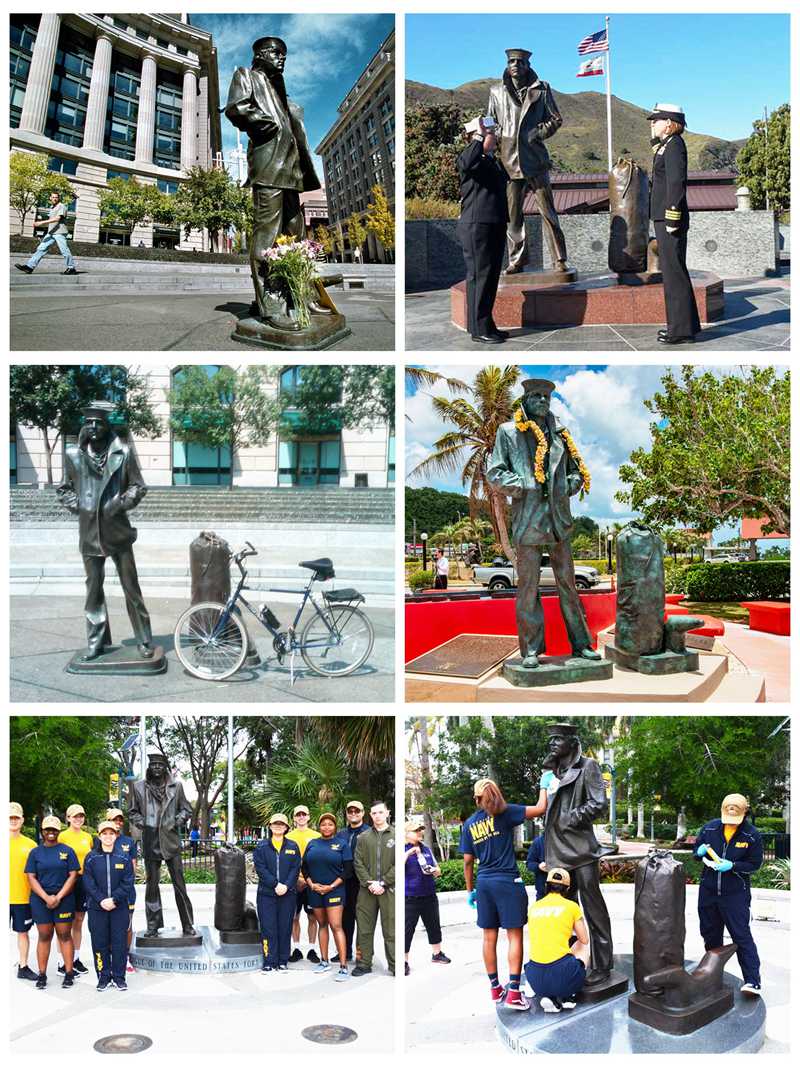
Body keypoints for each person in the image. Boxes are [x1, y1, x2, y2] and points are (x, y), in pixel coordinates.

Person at [487, 379, 602, 669]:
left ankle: (581, 645)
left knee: (569, 586)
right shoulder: (508, 432)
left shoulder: (561, 433)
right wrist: (522, 485)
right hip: (528, 521)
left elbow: (576, 470)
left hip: (559, 521)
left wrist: (568, 485)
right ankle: (531, 649)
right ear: (524, 399)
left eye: (546, 396)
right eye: (536, 395)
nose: (542, 400)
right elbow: (495, 472)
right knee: (528, 588)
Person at [225, 36, 322, 327]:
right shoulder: (247, 76)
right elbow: (236, 108)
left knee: (296, 236)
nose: (282, 58)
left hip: (292, 172)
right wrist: (267, 125)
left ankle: (300, 295)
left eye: (284, 54)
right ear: (260, 54)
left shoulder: (281, 92)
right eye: (276, 53)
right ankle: (270, 304)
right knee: (266, 236)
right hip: (268, 168)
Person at [56, 400, 154, 662]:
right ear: (84, 427)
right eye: (89, 423)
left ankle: (144, 639)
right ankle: (96, 642)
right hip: (89, 533)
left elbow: (138, 486)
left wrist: (120, 503)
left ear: (107, 425)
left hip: (118, 532)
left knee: (131, 589)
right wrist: (82, 507)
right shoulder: (72, 455)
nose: (94, 427)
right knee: (93, 592)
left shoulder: (124, 452)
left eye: (98, 422)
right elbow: (63, 489)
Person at [461, 777, 548, 1010]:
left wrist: (471, 891)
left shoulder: (469, 824)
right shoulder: (506, 812)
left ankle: (495, 988)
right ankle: (514, 993)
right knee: (514, 936)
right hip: (508, 881)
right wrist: (544, 784)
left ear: (476, 798)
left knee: (489, 937)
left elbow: (468, 862)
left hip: (485, 884)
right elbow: (541, 808)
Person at [541, 723, 615, 986]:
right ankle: (572, 962)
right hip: (558, 851)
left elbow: (598, 803)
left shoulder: (588, 766)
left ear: (572, 742)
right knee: (564, 911)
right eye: (550, 740)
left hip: (581, 851)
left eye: (558, 739)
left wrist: (570, 818)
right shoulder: (551, 772)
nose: (552, 744)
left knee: (593, 910)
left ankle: (603, 965)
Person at [487, 48, 568, 274]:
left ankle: (559, 259)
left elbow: (556, 119)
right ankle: (517, 260)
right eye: (511, 61)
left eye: (520, 62)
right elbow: (490, 122)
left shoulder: (542, 89)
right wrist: (498, 138)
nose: (515, 65)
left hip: (536, 160)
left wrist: (538, 133)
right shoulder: (496, 91)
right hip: (509, 161)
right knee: (513, 216)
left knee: (548, 212)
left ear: (527, 65)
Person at [694, 793, 764, 996]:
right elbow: (696, 852)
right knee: (710, 935)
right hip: (708, 892)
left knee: (741, 936)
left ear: (744, 812)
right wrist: (698, 852)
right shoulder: (710, 828)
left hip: (735, 895)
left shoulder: (751, 835)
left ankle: (752, 981)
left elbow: (755, 864)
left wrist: (732, 865)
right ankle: (713, 977)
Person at [648, 102, 701, 345]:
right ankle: (685, 326)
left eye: (656, 120)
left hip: (670, 217)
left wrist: (672, 215)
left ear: (669, 123)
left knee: (673, 274)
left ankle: (680, 330)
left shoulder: (675, 146)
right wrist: (654, 139)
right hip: (663, 216)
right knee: (674, 272)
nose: (653, 123)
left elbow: (676, 183)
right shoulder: (667, 145)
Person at [128, 753, 196, 937]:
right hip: (151, 842)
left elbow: (187, 809)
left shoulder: (177, 786)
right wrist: (144, 823)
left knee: (180, 886)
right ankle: (153, 925)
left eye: (160, 764)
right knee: (152, 886)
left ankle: (188, 924)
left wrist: (176, 821)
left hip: (171, 842)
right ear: (149, 767)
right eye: (153, 764)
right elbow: (132, 812)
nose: (157, 767)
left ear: (165, 767)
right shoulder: (139, 787)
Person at [456, 115, 509, 344]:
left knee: (490, 278)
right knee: (480, 277)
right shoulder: (470, 159)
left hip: (494, 223)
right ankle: (479, 329)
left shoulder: (490, 161)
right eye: (490, 134)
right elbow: (467, 161)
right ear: (475, 137)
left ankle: (486, 324)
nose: (494, 137)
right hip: (477, 225)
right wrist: (479, 136)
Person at [24, 815, 80, 989]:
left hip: (64, 899)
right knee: (44, 935)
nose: (51, 833)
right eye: (47, 829)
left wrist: (58, 896)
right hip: (41, 900)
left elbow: (73, 875)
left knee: (64, 935)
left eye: (54, 829)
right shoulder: (35, 853)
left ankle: (69, 973)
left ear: (58, 831)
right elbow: (31, 877)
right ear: (42, 831)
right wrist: (46, 897)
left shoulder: (67, 851)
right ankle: (42, 974)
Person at [526, 867, 590, 1012]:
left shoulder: (534, 907)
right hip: (561, 974)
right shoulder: (571, 907)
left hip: (534, 976)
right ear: (567, 889)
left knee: (547, 947)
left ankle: (551, 998)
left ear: (546, 886)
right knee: (581, 944)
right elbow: (584, 939)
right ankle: (569, 994)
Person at [83, 820, 135, 991]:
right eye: (104, 833)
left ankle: (119, 977)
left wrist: (114, 900)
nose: (108, 836)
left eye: (111, 833)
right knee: (99, 942)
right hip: (97, 908)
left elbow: (128, 883)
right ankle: (103, 976)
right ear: (99, 836)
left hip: (118, 908)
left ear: (116, 835)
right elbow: (88, 882)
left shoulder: (123, 857)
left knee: (119, 942)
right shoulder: (91, 857)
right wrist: (101, 900)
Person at [303, 813, 352, 982]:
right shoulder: (312, 844)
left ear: (335, 827)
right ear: (319, 826)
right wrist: (311, 884)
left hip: (334, 891)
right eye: (323, 824)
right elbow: (304, 868)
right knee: (321, 924)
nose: (326, 827)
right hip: (315, 890)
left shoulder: (342, 844)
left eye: (330, 824)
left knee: (336, 925)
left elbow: (347, 870)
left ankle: (343, 966)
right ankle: (324, 961)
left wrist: (331, 886)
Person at [253, 812, 301, 973]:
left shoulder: (293, 847)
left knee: (285, 927)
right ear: (270, 826)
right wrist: (275, 884)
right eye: (275, 824)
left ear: (287, 827)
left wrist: (286, 886)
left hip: (288, 894)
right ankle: (269, 960)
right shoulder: (261, 847)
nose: (278, 826)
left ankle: (282, 960)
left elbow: (295, 869)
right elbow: (261, 869)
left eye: (282, 824)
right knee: (268, 928)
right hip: (267, 894)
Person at [353, 801, 395, 977]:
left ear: (387, 813)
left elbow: (399, 863)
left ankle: (395, 965)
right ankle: (364, 963)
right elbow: (358, 862)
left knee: (392, 928)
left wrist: (384, 882)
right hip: (367, 890)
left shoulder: (396, 835)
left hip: (389, 890)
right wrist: (370, 883)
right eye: (374, 813)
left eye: (380, 812)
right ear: (370, 815)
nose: (377, 815)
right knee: (364, 928)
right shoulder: (363, 837)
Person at [404, 819, 450, 976]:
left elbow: (437, 868)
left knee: (434, 924)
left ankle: (437, 954)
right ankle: (404, 961)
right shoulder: (402, 849)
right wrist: (408, 854)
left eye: (421, 830)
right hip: (410, 896)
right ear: (407, 833)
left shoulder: (426, 849)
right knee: (407, 929)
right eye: (416, 831)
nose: (420, 833)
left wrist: (436, 871)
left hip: (429, 894)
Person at [57, 803, 94, 976]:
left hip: (83, 880)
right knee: (65, 923)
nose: (78, 819)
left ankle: (76, 959)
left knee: (79, 920)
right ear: (68, 818)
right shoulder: (62, 836)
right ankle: (62, 962)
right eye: (75, 816)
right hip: (67, 880)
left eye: (81, 816)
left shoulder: (88, 837)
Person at [103, 808, 138, 973]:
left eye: (120, 820)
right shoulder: (102, 840)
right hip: (106, 893)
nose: (117, 823)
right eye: (114, 819)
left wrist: (124, 889)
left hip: (126, 892)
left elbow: (133, 868)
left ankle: (125, 957)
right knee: (108, 926)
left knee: (127, 925)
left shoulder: (129, 842)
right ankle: (110, 957)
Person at [286, 805, 321, 963]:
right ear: (294, 818)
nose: (301, 817)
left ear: (308, 817)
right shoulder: (288, 836)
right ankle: (297, 948)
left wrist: (309, 881)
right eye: (298, 814)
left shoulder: (317, 836)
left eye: (304, 814)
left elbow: (320, 860)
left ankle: (312, 949)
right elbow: (287, 863)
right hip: (294, 883)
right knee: (294, 917)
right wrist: (296, 879)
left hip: (311, 883)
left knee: (312, 917)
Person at [15, 191, 77, 276]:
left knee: (64, 250)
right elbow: (52, 221)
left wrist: (41, 223)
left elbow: (57, 219)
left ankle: (71, 268)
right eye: (53, 197)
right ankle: (29, 267)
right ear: (50, 198)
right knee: (41, 248)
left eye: (56, 197)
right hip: (51, 232)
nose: (54, 198)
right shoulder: (52, 208)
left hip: (60, 232)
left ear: (58, 198)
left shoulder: (61, 206)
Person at [9, 802, 38, 981]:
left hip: (23, 898)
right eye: (9, 818)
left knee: (23, 932)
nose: (13, 821)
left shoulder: (31, 845)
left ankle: (23, 966)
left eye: (16, 818)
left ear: (22, 820)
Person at [339, 800, 370, 962]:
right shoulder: (341, 834)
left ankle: (361, 954)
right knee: (346, 919)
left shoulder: (369, 832)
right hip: (345, 882)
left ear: (363, 813)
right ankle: (346, 951)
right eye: (350, 811)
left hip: (362, 882)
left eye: (356, 811)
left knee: (363, 920)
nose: (353, 814)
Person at [525, 834, 548, 900]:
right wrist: (538, 866)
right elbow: (529, 863)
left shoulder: (565, 840)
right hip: (543, 891)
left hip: (566, 892)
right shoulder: (538, 842)